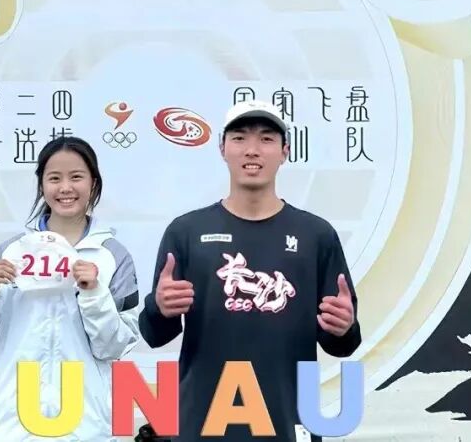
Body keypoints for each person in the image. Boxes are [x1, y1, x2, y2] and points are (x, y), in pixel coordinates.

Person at [138, 100, 361, 441]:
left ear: (285, 151)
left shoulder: (316, 235)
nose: (252, 150)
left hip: (287, 424)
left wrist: (344, 327)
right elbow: (155, 335)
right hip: (203, 425)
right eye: (240, 138)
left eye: (266, 139)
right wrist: (159, 307)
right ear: (222, 149)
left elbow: (342, 345)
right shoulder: (186, 232)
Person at [0, 137, 142, 441]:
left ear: (93, 183)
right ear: (42, 185)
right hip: (14, 425)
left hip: (84, 425)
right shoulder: (12, 251)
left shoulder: (113, 255)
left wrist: (94, 294)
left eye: (76, 177)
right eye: (54, 178)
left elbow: (112, 347)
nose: (65, 188)